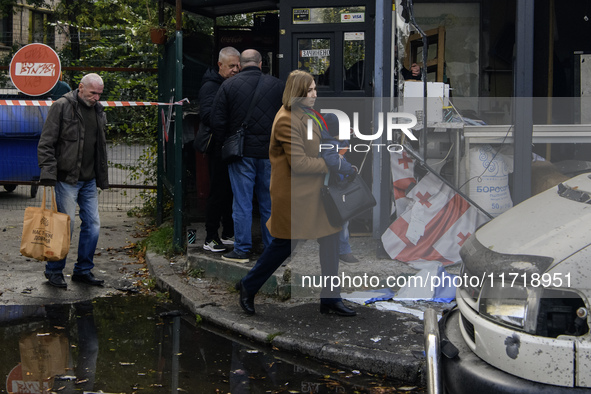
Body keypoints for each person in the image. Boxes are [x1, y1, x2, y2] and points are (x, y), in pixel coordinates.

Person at [235, 69, 357, 317]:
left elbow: (321, 145)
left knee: (331, 239)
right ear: (297, 93)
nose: (314, 94)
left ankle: (330, 299)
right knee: (284, 246)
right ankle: (248, 286)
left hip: (314, 194)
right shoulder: (286, 119)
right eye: (309, 90)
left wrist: (337, 156)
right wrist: (330, 165)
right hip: (294, 197)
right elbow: (299, 164)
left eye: (314, 89)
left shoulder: (306, 113)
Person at [211, 49, 284, 263]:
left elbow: (217, 121)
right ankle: (272, 249)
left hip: (241, 154)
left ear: (241, 65)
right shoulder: (278, 85)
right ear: (261, 64)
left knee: (242, 202)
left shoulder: (228, 86)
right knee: (268, 202)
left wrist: (225, 144)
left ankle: (242, 250)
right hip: (271, 153)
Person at [37, 73, 108, 288]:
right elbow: (46, 143)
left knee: (93, 225)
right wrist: (48, 174)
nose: (96, 97)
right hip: (66, 178)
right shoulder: (62, 106)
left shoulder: (98, 110)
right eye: (93, 92)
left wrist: (100, 175)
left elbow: (99, 147)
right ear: (81, 87)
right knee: (64, 227)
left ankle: (83, 270)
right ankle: (54, 271)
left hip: (89, 180)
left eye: (99, 93)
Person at [198, 47, 241, 253]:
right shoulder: (210, 87)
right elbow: (207, 116)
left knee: (228, 191)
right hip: (218, 147)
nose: (235, 70)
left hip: (226, 146)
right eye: (231, 66)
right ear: (220, 65)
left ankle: (227, 233)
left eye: (238, 66)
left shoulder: (225, 83)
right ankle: (211, 236)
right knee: (218, 192)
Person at [320, 114, 360, 264]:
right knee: (342, 221)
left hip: (338, 186)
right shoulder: (329, 145)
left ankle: (339, 248)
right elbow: (333, 161)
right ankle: (343, 250)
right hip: (332, 188)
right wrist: (349, 169)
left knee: (343, 220)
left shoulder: (337, 141)